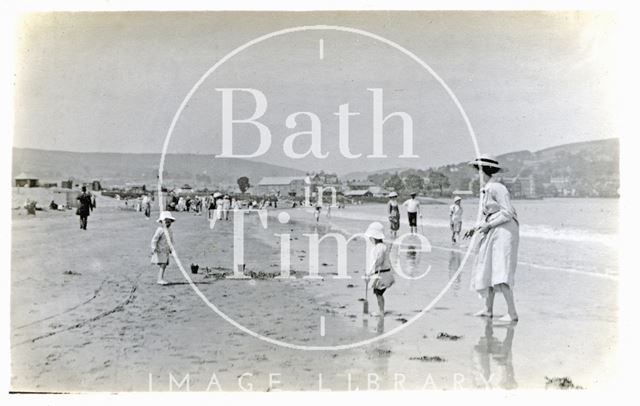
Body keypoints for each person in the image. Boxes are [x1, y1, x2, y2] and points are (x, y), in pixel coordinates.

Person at [463, 156, 519, 322]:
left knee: (501, 271)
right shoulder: (487, 188)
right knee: (487, 267)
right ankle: (488, 310)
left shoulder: (497, 188)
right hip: (494, 229)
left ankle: (512, 313)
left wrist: (489, 225)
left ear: (484, 172)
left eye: (477, 172)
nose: (476, 175)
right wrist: (474, 228)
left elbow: (507, 212)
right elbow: (488, 215)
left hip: (504, 231)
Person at [364, 222, 395, 317]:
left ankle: (381, 312)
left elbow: (377, 261)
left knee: (379, 293)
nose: (370, 239)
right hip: (384, 273)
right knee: (378, 293)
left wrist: (369, 273)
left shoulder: (379, 248)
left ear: (374, 237)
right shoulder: (381, 246)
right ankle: (381, 310)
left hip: (383, 275)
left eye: (371, 237)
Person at [151, 211, 176, 285]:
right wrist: (153, 247)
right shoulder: (160, 230)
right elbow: (154, 239)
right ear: (161, 222)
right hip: (160, 250)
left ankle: (160, 278)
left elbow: (171, 239)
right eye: (166, 222)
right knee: (163, 264)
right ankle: (160, 279)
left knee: (164, 265)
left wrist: (171, 248)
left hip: (166, 250)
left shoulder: (170, 230)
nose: (168, 224)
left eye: (169, 222)